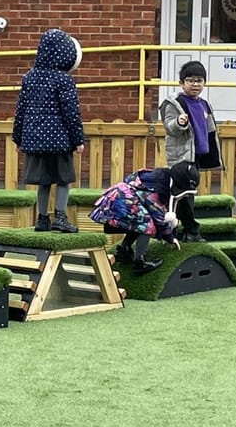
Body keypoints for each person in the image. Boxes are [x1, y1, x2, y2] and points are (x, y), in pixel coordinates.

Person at [12, 28, 85, 233]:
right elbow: (71, 112)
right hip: (60, 141)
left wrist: (17, 138)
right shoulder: (64, 80)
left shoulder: (29, 77)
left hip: (34, 140)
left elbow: (21, 110)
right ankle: (60, 216)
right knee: (63, 179)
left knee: (43, 182)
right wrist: (78, 139)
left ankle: (42, 219)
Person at [88, 161, 199, 274]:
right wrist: (170, 238)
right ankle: (140, 261)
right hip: (122, 201)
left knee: (138, 222)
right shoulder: (156, 189)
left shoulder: (155, 179)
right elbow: (158, 216)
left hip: (119, 199)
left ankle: (124, 250)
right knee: (146, 225)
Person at [158, 60, 224, 242]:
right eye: (190, 80)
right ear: (182, 83)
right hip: (181, 156)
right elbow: (169, 126)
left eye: (199, 80)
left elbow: (210, 131)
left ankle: (185, 230)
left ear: (204, 83)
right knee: (183, 194)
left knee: (188, 193)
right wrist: (179, 123)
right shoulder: (174, 103)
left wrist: (211, 154)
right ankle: (189, 230)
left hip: (196, 156)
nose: (195, 84)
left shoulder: (204, 104)